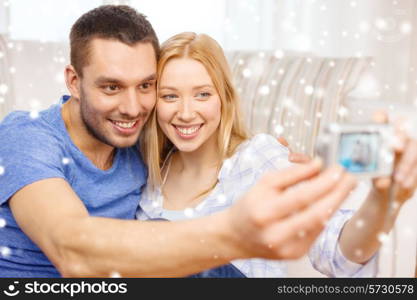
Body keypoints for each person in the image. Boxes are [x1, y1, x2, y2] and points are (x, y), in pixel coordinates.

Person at [0, 5, 409, 278]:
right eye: (111, 87)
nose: (131, 107)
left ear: (224, 97)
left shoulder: (253, 158)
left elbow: (339, 250)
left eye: (145, 86)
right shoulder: (36, 138)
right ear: (74, 81)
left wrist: (380, 201)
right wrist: (231, 233)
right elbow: (73, 249)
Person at [138, 32, 417, 277]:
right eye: (170, 96)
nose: (186, 113)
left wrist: (384, 201)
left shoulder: (260, 157)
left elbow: (338, 256)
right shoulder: (146, 177)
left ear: (225, 98)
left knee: (166, 241)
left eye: (202, 95)